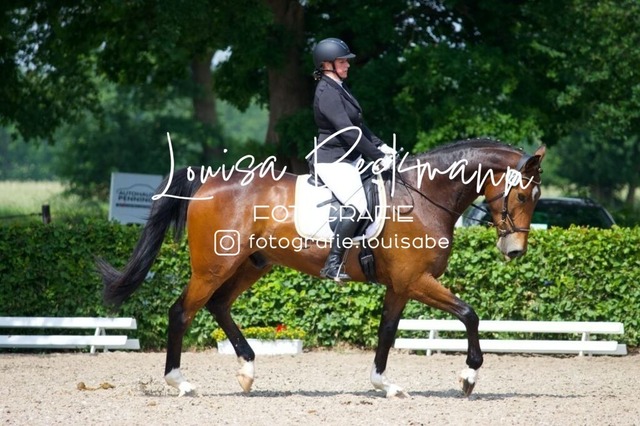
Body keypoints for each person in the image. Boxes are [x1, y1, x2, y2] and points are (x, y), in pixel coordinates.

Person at [310, 37, 396, 282]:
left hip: (350, 159)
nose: (347, 65)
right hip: (334, 161)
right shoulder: (326, 91)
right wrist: (377, 157)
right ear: (327, 65)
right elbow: (348, 132)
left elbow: (358, 125)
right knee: (357, 205)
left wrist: (381, 146)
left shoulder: (339, 87)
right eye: (342, 61)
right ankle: (333, 263)